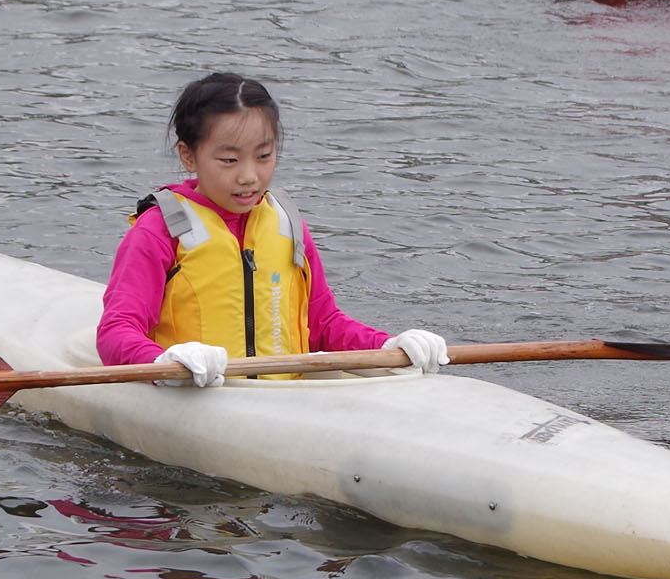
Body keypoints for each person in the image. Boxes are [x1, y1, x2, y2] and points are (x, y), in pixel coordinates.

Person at [97, 72, 449, 387]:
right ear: (189, 156)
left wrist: (388, 346)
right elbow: (116, 331)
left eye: (264, 156)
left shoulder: (287, 223)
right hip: (198, 393)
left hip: (283, 398)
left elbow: (323, 323)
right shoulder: (158, 230)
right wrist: (165, 363)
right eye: (229, 160)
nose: (249, 176)